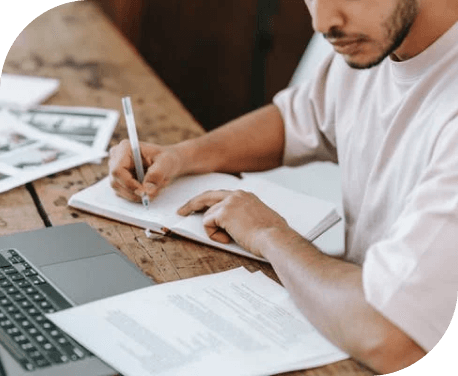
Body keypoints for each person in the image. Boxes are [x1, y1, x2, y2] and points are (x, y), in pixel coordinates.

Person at [108, 0, 458, 373]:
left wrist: (269, 233)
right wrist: (182, 156)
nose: (322, 22)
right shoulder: (375, 39)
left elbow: (390, 335)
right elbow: (298, 120)